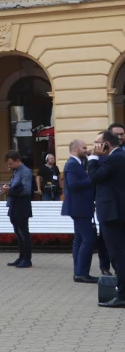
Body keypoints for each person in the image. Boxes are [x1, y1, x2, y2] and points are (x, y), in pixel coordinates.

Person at [90, 130, 125, 307]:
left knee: (118, 255)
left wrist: (93, 158)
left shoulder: (116, 157)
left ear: (106, 144)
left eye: (97, 142)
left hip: (113, 214)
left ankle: (122, 296)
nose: (94, 146)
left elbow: (94, 178)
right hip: (115, 212)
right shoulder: (118, 156)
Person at [63, 139, 104, 284]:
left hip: (80, 207)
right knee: (88, 240)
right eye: (84, 148)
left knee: (79, 239)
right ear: (75, 149)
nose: (87, 150)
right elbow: (73, 185)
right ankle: (81, 273)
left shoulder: (77, 164)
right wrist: (91, 179)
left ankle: (79, 271)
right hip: (79, 208)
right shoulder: (72, 164)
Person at [0, 150, 34, 269]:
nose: (9, 166)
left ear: (18, 161)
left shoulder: (26, 172)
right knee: (18, 233)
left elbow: (26, 190)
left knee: (24, 233)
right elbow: (16, 186)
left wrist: (9, 190)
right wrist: (8, 188)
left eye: (11, 163)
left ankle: (27, 259)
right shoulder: (16, 171)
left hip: (22, 206)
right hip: (14, 205)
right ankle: (21, 257)